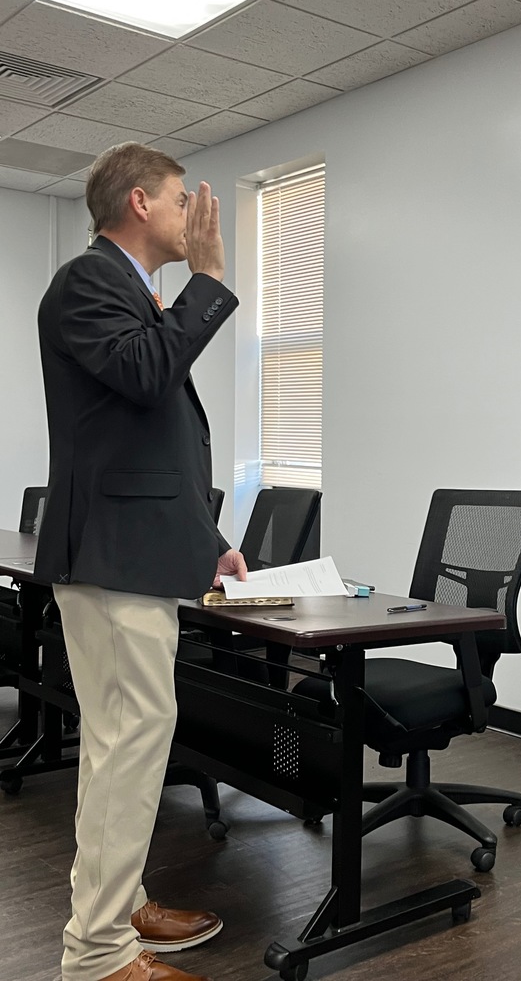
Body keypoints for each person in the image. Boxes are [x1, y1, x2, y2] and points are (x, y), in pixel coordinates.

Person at [34, 141, 247, 981]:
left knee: (115, 746)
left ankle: (117, 909)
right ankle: (96, 956)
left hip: (138, 549)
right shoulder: (89, 280)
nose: (191, 214)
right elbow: (148, 376)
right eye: (179, 198)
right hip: (113, 559)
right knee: (130, 741)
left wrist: (209, 540)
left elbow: (151, 444)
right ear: (138, 205)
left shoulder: (132, 291)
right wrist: (213, 279)